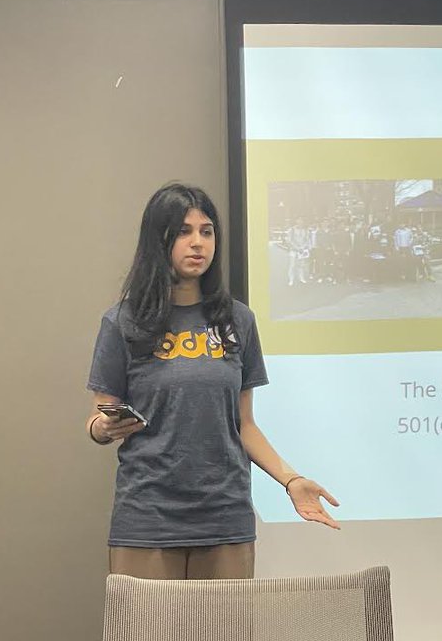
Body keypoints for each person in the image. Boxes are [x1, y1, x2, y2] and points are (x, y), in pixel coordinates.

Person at [86, 183, 339, 581]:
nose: (198, 243)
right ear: (158, 240)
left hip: (224, 515)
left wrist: (291, 479)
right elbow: (98, 419)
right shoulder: (122, 322)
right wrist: (103, 427)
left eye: (206, 231)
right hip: (148, 516)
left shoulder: (238, 320)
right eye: (183, 232)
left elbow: (244, 425)